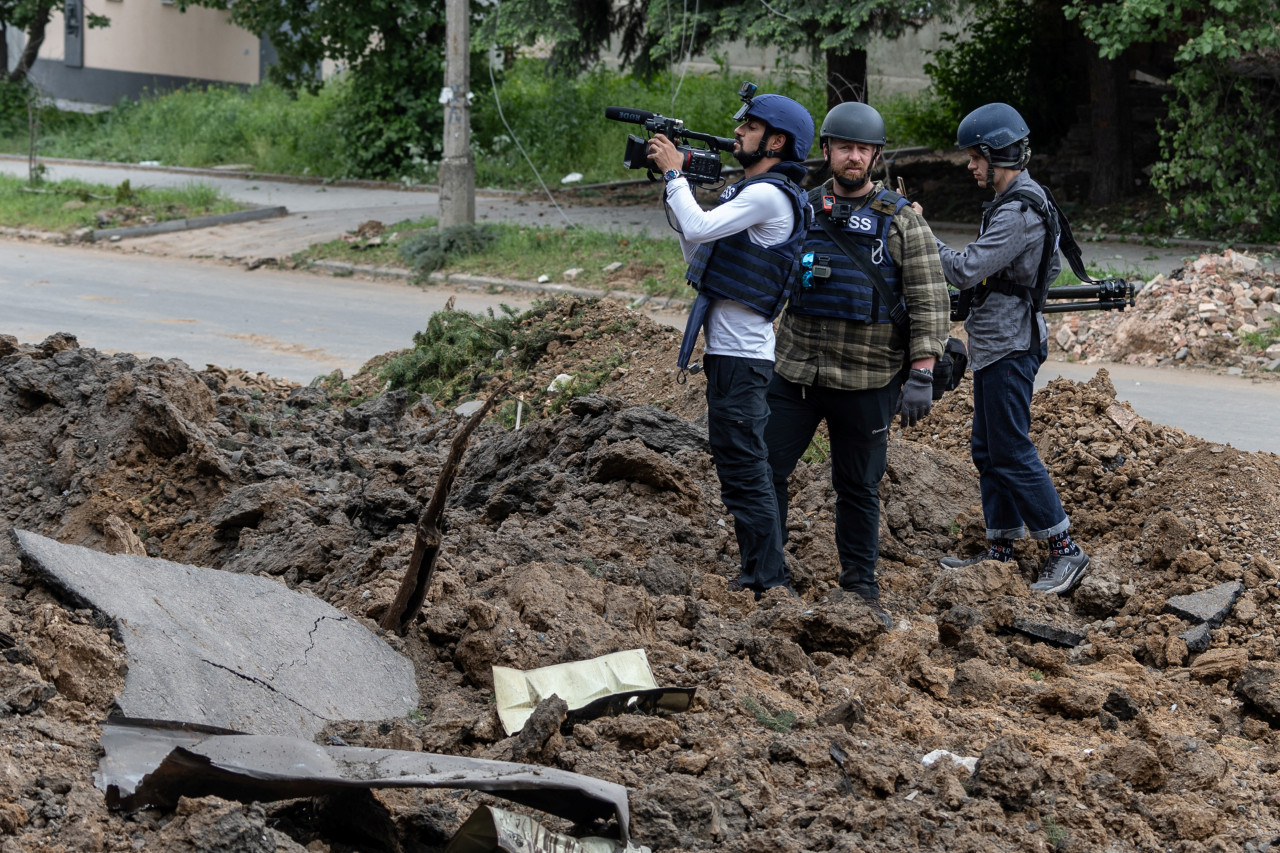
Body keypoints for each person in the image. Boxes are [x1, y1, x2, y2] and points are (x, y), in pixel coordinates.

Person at [763, 102, 951, 629]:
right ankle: (765, 572)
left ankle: (860, 587)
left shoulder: (901, 221)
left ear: (874, 156)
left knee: (858, 487)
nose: (854, 157)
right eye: (844, 147)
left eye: (863, 149)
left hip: (868, 380)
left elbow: (931, 299)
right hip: (796, 372)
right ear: (827, 151)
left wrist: (921, 372)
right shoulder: (799, 207)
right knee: (766, 471)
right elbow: (766, 275)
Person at [646, 90, 814, 599]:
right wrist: (677, 189)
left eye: (750, 127)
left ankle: (769, 579)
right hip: (729, 357)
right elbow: (697, 243)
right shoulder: (753, 191)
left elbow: (697, 223)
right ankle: (758, 573)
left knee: (746, 471)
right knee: (738, 468)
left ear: (776, 141)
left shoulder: (768, 195)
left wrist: (677, 175)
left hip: (744, 362)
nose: (737, 133)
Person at [932, 102, 1091, 595]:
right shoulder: (1013, 201)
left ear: (998, 155)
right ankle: (1001, 551)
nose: (970, 166)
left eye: (976, 157)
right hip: (995, 341)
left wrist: (917, 234)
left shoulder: (1019, 211)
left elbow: (963, 269)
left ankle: (1065, 550)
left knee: (1011, 448)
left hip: (1010, 344)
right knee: (988, 448)